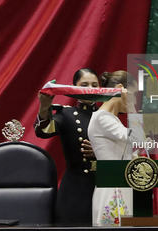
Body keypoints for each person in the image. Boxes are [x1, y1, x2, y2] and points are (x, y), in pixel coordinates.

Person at [34, 68, 99, 226]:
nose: (90, 89)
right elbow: (43, 131)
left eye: (94, 85)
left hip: (104, 186)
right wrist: (44, 107)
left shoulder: (108, 115)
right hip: (75, 188)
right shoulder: (67, 114)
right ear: (74, 87)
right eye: (84, 84)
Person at [87, 70, 144, 226]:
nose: (135, 100)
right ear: (121, 89)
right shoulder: (102, 118)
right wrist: (132, 107)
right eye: (134, 94)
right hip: (112, 190)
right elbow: (137, 136)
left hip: (120, 185)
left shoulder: (112, 119)